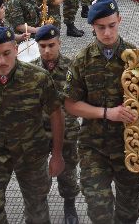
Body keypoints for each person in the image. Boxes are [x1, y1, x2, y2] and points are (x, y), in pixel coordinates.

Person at [0, 27, 65, 224]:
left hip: (32, 151)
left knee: (37, 208)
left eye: (6, 53)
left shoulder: (38, 77)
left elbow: (56, 115)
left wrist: (57, 154)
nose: (1, 61)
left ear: (16, 49)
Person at [64, 0, 139, 223]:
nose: (107, 33)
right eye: (101, 28)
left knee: (128, 212)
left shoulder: (136, 58)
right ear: (92, 27)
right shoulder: (82, 60)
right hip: (94, 146)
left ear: (119, 20)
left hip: (129, 146)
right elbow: (70, 104)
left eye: (111, 25)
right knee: (99, 211)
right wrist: (107, 113)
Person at [36, 25, 80, 224]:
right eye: (42, 46)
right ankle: (38, 204)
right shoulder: (31, 72)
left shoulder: (73, 68)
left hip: (67, 132)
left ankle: (69, 206)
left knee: (68, 172)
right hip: (39, 132)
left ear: (59, 43)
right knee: (36, 173)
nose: (47, 50)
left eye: (51, 45)